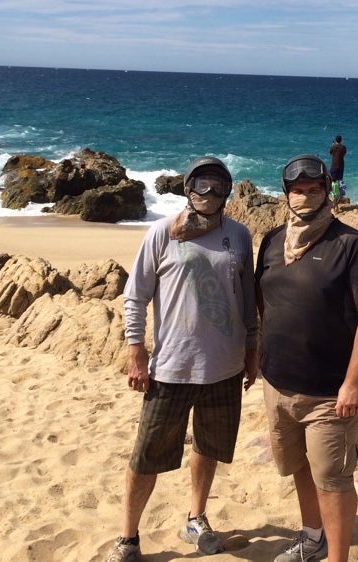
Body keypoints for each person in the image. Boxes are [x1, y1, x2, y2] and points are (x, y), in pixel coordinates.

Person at [106, 156, 259, 562]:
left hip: (224, 368)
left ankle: (196, 517)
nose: (209, 193)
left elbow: (248, 304)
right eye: (202, 185)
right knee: (146, 456)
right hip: (171, 368)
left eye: (218, 186)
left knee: (208, 448)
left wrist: (252, 352)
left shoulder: (240, 236)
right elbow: (135, 294)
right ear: (187, 188)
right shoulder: (162, 233)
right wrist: (136, 350)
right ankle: (128, 538)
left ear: (227, 192)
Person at [255, 154, 358, 562]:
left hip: (330, 394)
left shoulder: (352, 246)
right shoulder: (273, 240)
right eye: (298, 190)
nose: (306, 197)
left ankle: (337, 558)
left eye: (315, 190)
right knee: (299, 467)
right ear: (286, 194)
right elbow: (265, 301)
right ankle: (313, 538)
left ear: (327, 191)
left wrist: (353, 383)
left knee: (332, 479)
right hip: (278, 384)